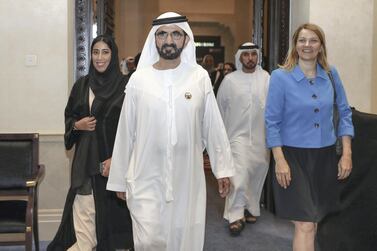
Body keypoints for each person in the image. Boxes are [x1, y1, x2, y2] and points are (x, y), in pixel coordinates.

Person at [106, 12, 234, 251]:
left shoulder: (199, 78)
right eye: (162, 34)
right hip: (145, 174)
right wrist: (119, 179)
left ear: (186, 40)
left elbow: (212, 125)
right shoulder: (139, 79)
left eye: (176, 34)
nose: (169, 40)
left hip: (186, 177)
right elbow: (126, 131)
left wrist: (222, 168)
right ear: (154, 40)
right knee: (148, 240)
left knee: (183, 238)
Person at [265, 23, 354, 251]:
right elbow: (271, 122)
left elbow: (344, 113)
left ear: (321, 46)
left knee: (312, 224)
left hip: (324, 158)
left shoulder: (331, 75)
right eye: (302, 40)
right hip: (292, 158)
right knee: (304, 224)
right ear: (295, 45)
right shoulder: (280, 77)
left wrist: (346, 154)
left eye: (313, 40)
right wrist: (280, 160)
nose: (307, 45)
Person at [47, 35, 133, 251]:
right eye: (95, 52)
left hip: (114, 166)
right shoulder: (82, 85)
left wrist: (119, 158)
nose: (99, 57)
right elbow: (69, 117)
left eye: (105, 52)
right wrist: (78, 125)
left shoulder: (126, 86)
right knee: (85, 225)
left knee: (114, 227)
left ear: (113, 55)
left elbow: (133, 127)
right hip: (86, 164)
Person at [217, 42, 270, 236]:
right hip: (236, 136)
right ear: (240, 57)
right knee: (238, 176)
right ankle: (235, 215)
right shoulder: (230, 80)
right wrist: (220, 137)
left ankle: (250, 207)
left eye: (253, 54)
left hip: (261, 137)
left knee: (255, 173)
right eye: (245, 55)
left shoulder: (266, 78)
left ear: (257, 57)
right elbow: (220, 107)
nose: (250, 58)